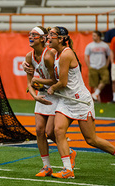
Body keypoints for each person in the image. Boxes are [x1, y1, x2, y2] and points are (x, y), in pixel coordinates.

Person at [46, 26, 115, 179]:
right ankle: (68, 170)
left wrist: (53, 87)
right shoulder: (55, 52)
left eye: (51, 35)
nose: (48, 37)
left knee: (91, 139)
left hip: (80, 101)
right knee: (57, 131)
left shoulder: (66, 54)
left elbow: (63, 83)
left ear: (61, 39)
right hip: (66, 101)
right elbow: (42, 57)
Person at [22, 26, 76, 177]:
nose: (30, 37)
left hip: (55, 93)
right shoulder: (29, 57)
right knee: (39, 130)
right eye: (29, 34)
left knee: (50, 131)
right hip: (42, 94)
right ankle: (46, 166)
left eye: (33, 35)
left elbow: (54, 80)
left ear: (41, 38)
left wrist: (37, 81)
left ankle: (69, 154)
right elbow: (30, 83)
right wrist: (35, 95)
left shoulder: (49, 55)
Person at [84, 30, 110, 102]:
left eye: (94, 36)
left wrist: (107, 64)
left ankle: (96, 93)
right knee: (94, 83)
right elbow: (86, 56)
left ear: (99, 37)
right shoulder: (89, 45)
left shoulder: (105, 45)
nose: (93, 37)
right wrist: (89, 65)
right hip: (93, 66)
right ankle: (98, 98)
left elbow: (109, 55)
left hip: (102, 66)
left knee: (105, 79)